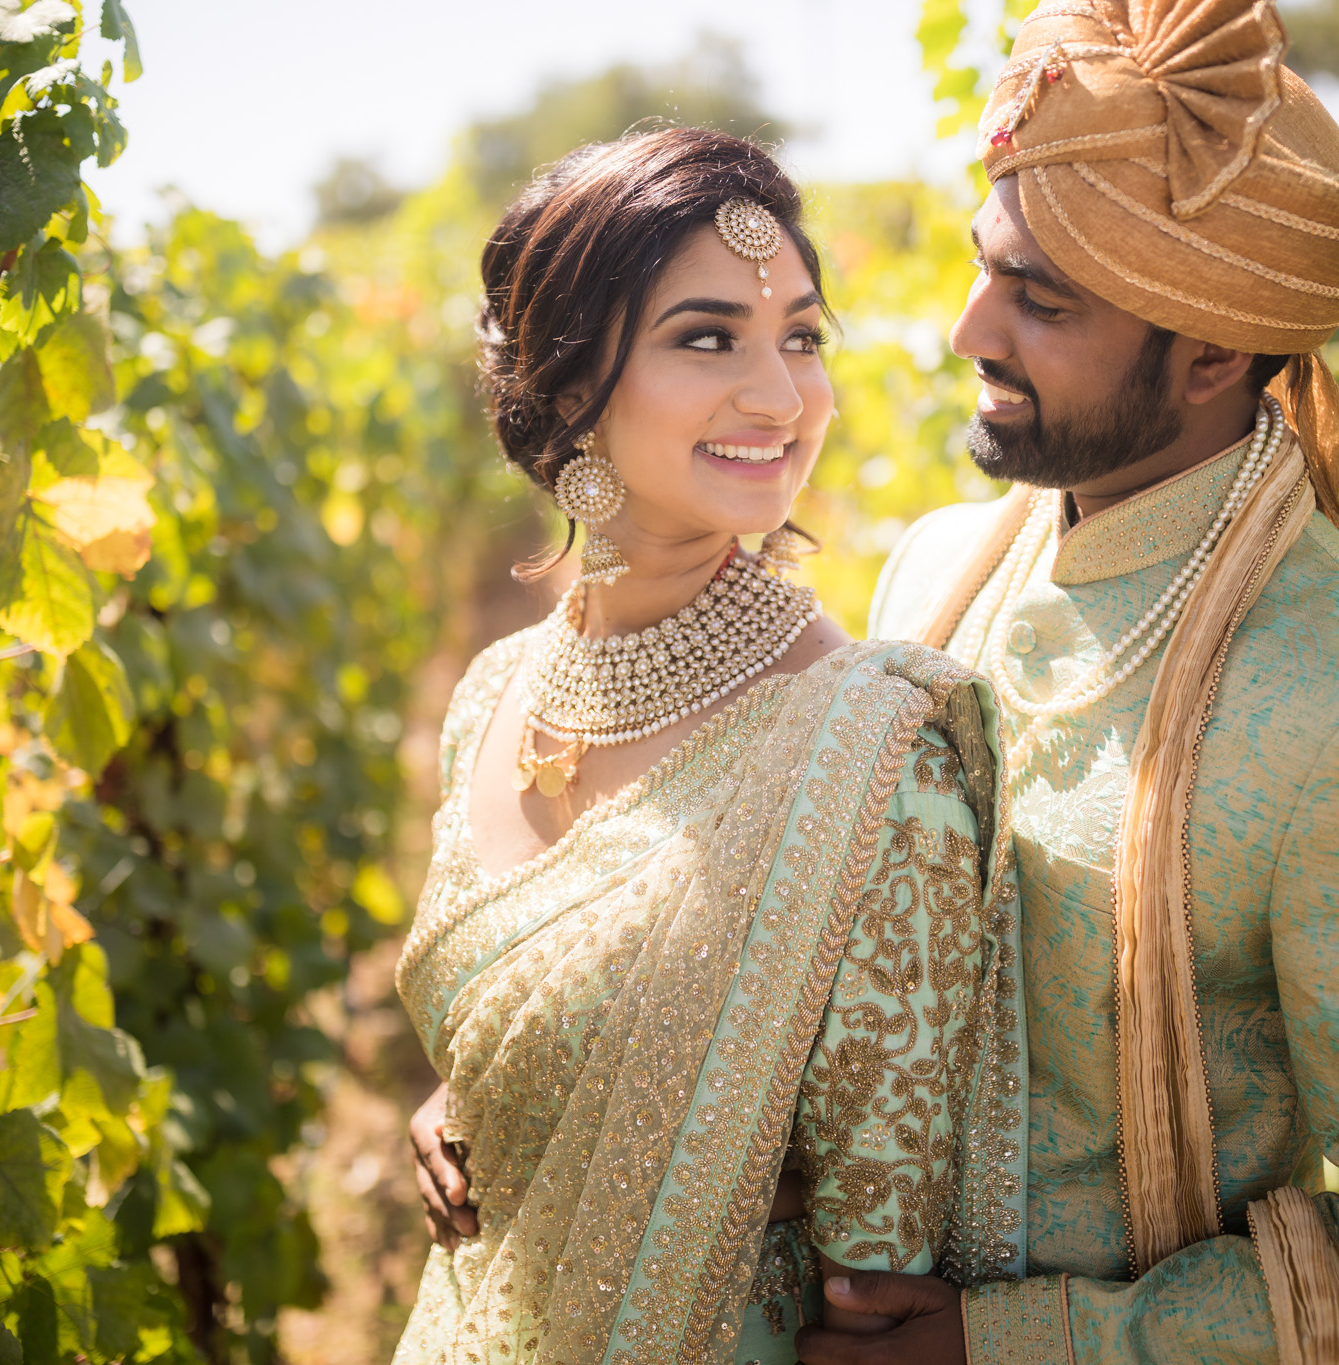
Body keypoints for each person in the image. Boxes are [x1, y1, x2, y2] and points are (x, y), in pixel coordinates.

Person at [802, 0, 1339, 1360]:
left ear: (1214, 357)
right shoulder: (931, 573)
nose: (970, 328)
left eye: (1042, 301)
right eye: (987, 267)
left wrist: (1019, 1345)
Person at [390, 128, 1026, 1365]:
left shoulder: (872, 756)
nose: (782, 398)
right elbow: (550, 1021)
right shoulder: (491, 694)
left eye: (799, 335)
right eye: (706, 337)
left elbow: (874, 1292)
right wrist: (484, 1095)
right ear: (566, 381)